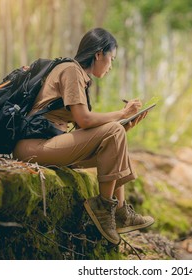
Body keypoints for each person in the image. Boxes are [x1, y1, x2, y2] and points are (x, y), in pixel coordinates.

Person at [13, 27, 154, 245]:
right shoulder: (70, 70)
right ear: (99, 54)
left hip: (51, 143)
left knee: (117, 136)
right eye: (112, 58)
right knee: (115, 130)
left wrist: (124, 125)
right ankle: (103, 207)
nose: (111, 65)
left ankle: (120, 212)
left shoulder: (80, 76)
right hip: (34, 146)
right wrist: (122, 114)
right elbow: (85, 120)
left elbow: (83, 133)